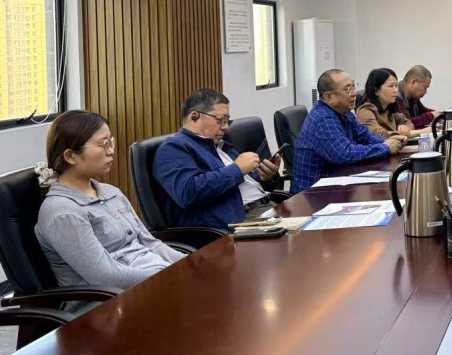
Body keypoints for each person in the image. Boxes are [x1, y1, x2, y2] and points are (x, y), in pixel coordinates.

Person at [35, 111, 184, 312]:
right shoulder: (62, 211)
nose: (111, 151)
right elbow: (105, 276)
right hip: (107, 307)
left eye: (110, 142)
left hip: (154, 283)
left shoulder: (111, 192)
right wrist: (169, 276)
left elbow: (150, 242)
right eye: (103, 144)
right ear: (71, 156)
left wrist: (188, 264)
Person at [154, 89, 281, 231]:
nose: (225, 127)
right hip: (240, 222)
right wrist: (237, 169)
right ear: (194, 117)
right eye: (220, 120)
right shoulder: (173, 148)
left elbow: (246, 183)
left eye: (227, 121)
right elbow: (188, 193)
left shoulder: (221, 146)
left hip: (268, 208)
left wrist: (266, 178)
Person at [292, 69, 406, 193]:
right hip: (312, 194)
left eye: (353, 86)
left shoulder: (345, 113)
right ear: (328, 97)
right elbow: (344, 154)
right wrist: (385, 147)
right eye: (347, 89)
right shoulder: (323, 118)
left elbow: (364, 135)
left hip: (337, 184)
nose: (354, 93)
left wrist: (390, 141)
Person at [356, 68, 431, 139]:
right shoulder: (365, 111)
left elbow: (408, 122)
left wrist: (405, 128)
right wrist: (417, 132)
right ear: (376, 91)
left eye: (396, 86)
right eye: (391, 86)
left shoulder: (389, 110)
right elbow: (378, 135)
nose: (395, 90)